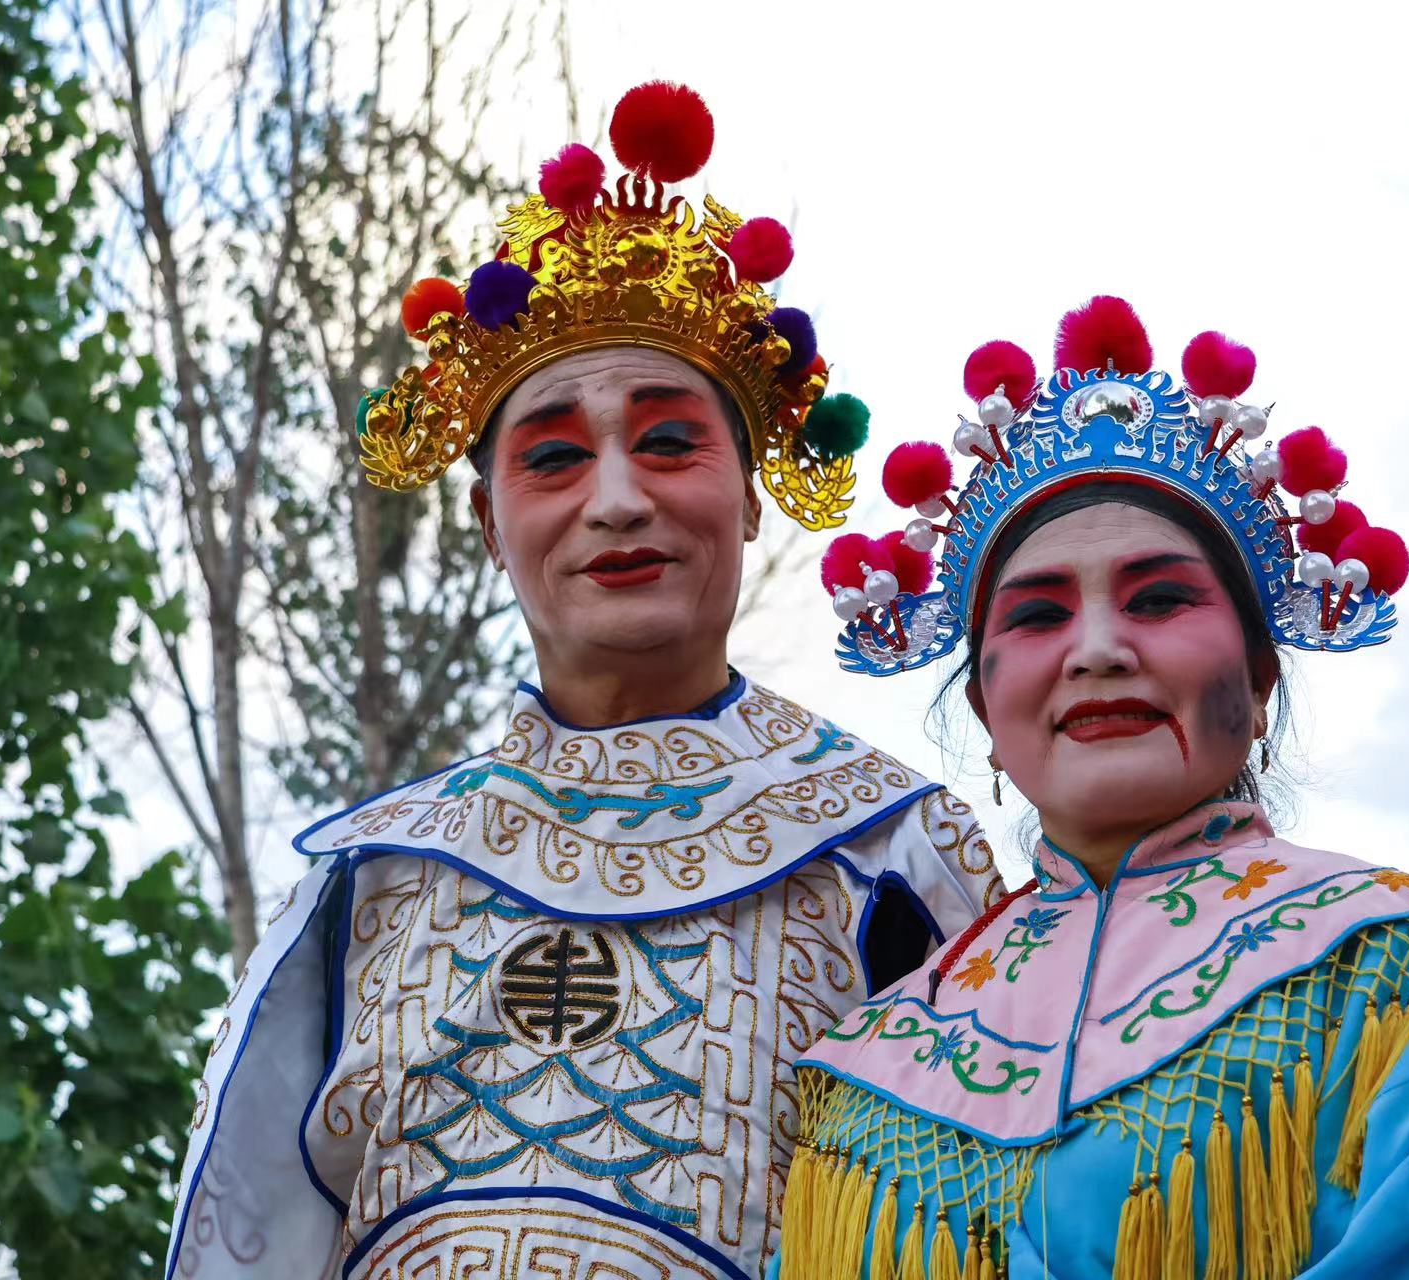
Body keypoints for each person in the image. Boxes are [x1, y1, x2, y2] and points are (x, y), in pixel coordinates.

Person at [165, 82, 1004, 1280]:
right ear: (490, 522)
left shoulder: (899, 855)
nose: (617, 499)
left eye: (669, 441)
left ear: (753, 491)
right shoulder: (370, 880)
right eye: (554, 457)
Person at [775, 299, 1409, 1279]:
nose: (1100, 649)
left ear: (1261, 676)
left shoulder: (1380, 966)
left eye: (1160, 597)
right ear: (984, 706)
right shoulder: (866, 1069)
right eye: (1037, 614)